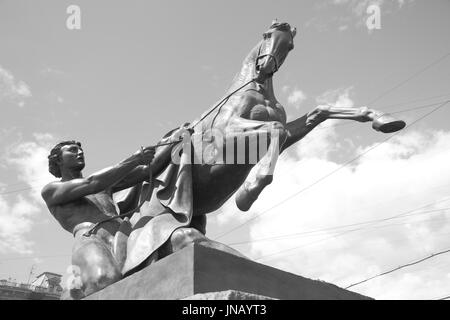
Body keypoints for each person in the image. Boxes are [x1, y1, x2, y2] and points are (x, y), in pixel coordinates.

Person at [41, 140, 157, 298]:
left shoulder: (105, 183)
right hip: (91, 238)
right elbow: (92, 183)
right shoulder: (51, 190)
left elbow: (146, 170)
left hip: (123, 235)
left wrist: (176, 141)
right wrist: (134, 159)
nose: (80, 152)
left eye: (81, 150)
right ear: (59, 160)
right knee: (104, 277)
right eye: (73, 150)